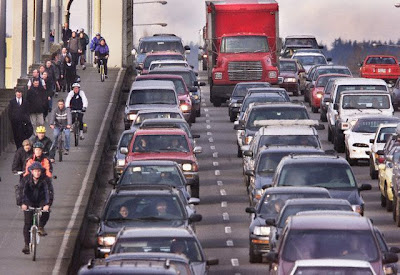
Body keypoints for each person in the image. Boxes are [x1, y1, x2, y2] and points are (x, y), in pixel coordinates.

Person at [18, 162, 53, 254]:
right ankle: (26, 245)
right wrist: (22, 203)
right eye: (35, 171)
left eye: (39, 171)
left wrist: (47, 204)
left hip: (41, 200)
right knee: (27, 223)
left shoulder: (45, 180)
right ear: (31, 172)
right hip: (28, 201)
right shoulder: (25, 180)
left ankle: (41, 226)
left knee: (46, 212)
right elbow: (21, 192)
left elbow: (49, 192)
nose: (37, 173)